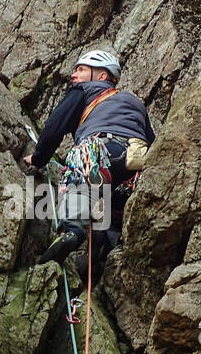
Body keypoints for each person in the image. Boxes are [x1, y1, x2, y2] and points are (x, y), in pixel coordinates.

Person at [22, 48, 155, 269]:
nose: (74, 75)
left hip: (101, 150)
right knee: (109, 205)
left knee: (79, 165)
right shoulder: (135, 103)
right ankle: (101, 251)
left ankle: (72, 231)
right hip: (136, 164)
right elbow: (152, 141)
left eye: (81, 69)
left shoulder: (84, 90)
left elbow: (54, 128)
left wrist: (38, 159)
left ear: (102, 76)